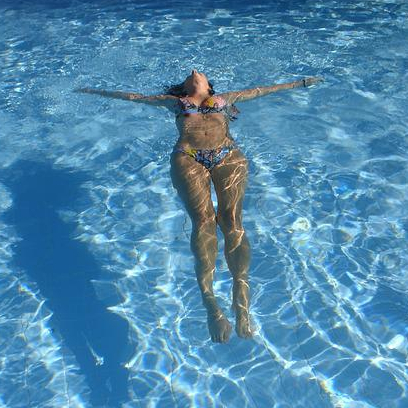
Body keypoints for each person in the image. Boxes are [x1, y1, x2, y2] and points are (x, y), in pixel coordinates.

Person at [76, 70, 322, 343]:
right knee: (204, 221)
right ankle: (210, 303)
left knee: (232, 222)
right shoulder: (172, 101)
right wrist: (92, 91)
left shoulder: (227, 98)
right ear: (184, 87)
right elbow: (133, 97)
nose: (194, 72)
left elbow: (263, 89)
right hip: (188, 157)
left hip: (228, 154)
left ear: (208, 84)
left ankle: (242, 303)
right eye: (188, 76)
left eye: (198, 73)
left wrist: (300, 83)